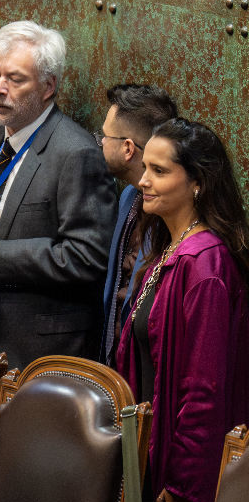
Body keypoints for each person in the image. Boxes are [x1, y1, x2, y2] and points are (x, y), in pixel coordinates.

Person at [114, 118, 249, 502]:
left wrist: (185, 484)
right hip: (150, 457)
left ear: (196, 181)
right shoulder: (169, 250)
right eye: (144, 167)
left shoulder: (205, 263)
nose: (143, 180)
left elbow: (204, 386)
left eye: (158, 170)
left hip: (179, 478)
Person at [0, 21, 115, 368]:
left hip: (42, 348)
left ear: (48, 87)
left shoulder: (76, 154)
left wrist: (0, 254)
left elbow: (87, 257)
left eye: (15, 79)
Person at [96, 84, 178, 365]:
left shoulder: (174, 215)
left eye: (104, 136)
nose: (100, 142)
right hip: (115, 363)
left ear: (128, 148)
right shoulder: (129, 196)